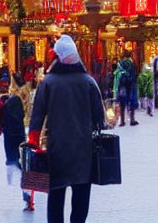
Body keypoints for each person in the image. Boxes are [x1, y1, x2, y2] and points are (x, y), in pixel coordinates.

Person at [28, 35, 105, 223]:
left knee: (55, 195)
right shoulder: (88, 81)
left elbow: (37, 115)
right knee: (81, 194)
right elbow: (100, 119)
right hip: (83, 149)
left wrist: (33, 139)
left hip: (57, 148)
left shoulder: (48, 83)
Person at [0, 73, 35, 212]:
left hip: (16, 134)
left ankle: (25, 193)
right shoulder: (26, 94)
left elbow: (13, 121)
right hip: (27, 132)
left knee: (20, 165)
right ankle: (28, 196)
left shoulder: (14, 100)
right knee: (26, 165)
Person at [114, 49, 139, 126]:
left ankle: (122, 121)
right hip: (130, 85)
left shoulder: (120, 63)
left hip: (122, 85)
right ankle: (132, 119)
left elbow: (117, 74)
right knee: (131, 101)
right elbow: (134, 74)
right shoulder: (131, 63)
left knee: (122, 102)